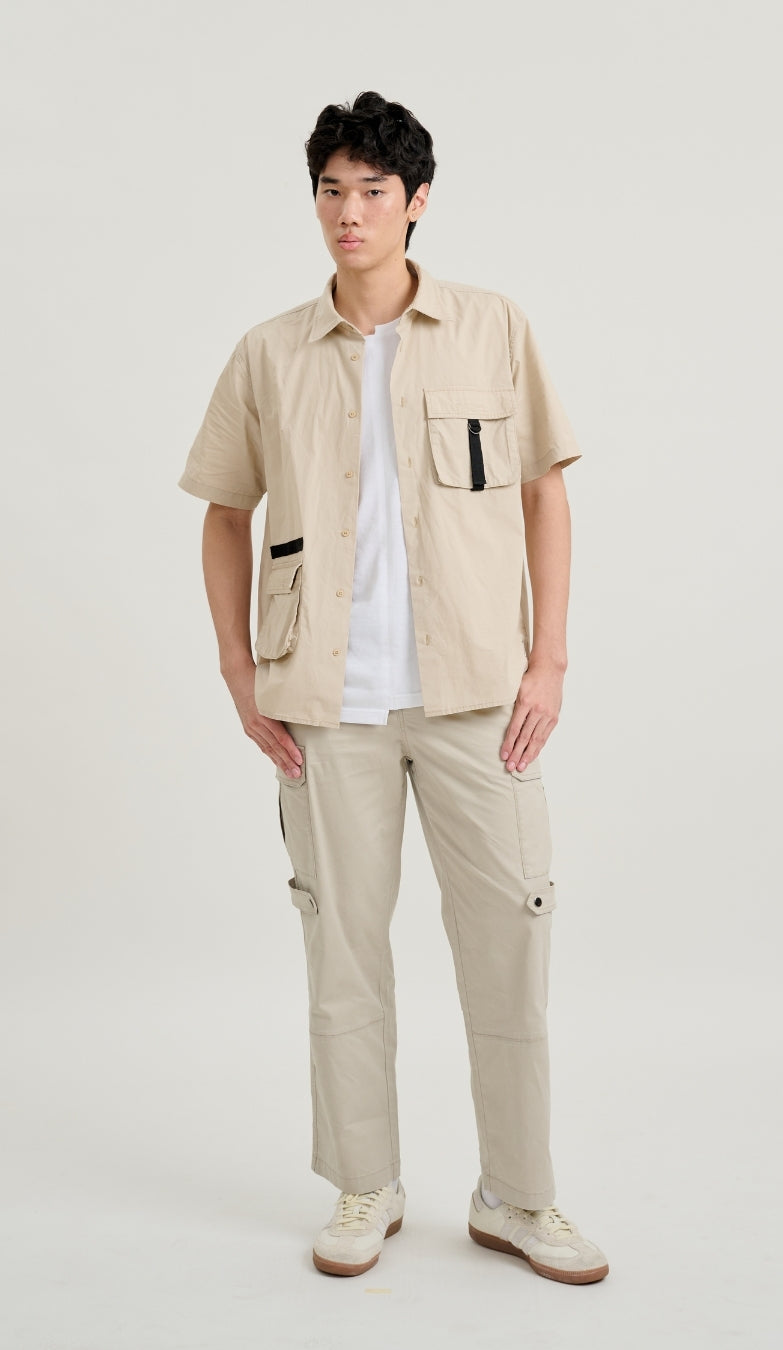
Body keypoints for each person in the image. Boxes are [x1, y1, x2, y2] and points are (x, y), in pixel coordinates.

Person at [177, 91, 608, 1285]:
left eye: (373, 191)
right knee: (344, 953)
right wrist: (238, 671)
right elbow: (224, 512)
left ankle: (518, 1196)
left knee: (508, 942)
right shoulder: (268, 352)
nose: (349, 213)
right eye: (331, 190)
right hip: (326, 707)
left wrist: (550, 658)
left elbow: (546, 493)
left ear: (417, 202)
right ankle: (365, 1184)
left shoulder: (493, 327)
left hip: (476, 696)